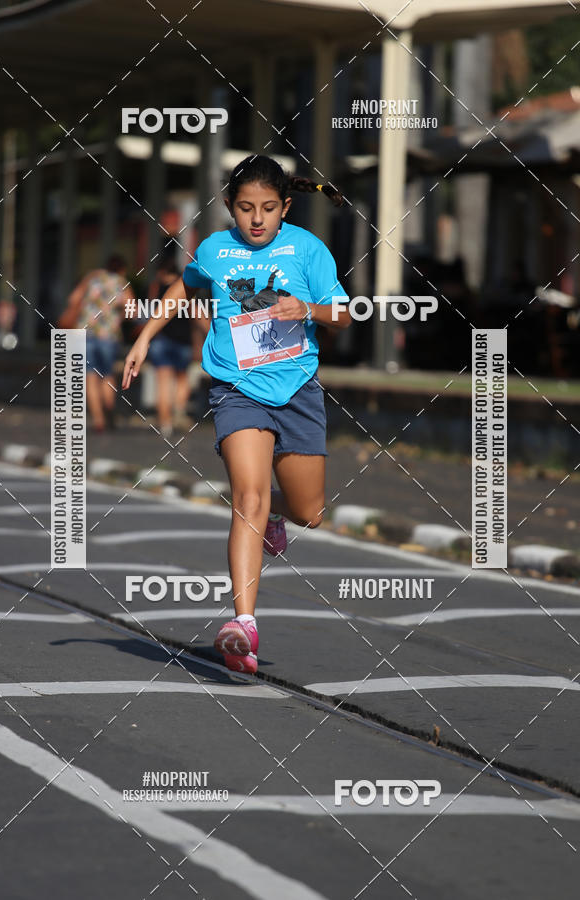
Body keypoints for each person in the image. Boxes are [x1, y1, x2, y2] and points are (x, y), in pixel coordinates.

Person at [122, 155, 351, 674]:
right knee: (248, 496)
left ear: (286, 206)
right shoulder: (215, 249)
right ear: (229, 205)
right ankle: (243, 624)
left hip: (297, 390)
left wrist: (307, 310)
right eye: (246, 208)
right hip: (236, 389)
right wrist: (144, 337)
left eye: (268, 208)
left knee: (310, 512)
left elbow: (343, 314)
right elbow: (186, 286)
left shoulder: (308, 249)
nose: (256, 219)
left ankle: (276, 518)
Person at [65, 254, 133, 432]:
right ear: (122, 269)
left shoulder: (92, 279)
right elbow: (131, 310)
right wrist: (117, 316)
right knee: (107, 375)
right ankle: (109, 409)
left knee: (90, 376)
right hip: (108, 336)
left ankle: (98, 420)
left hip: (85, 333)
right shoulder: (121, 283)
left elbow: (73, 300)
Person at [146, 252, 196, 437]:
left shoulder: (156, 288)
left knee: (163, 384)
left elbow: (150, 312)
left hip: (161, 340)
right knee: (182, 378)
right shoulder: (184, 287)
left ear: (160, 271)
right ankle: (178, 411)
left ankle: (165, 424)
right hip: (183, 340)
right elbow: (196, 313)